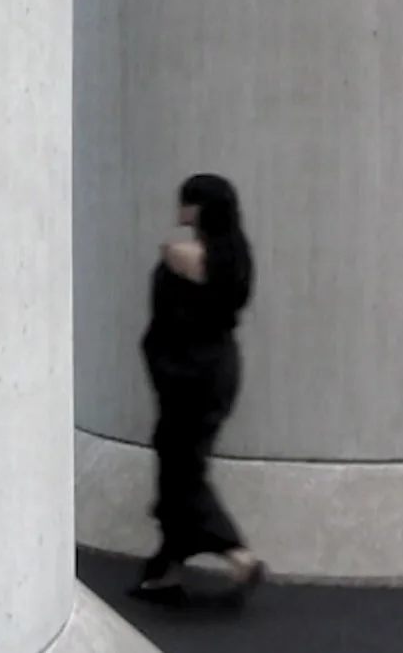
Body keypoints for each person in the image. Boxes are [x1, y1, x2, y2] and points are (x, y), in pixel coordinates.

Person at [131, 172, 266, 604]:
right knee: (178, 464)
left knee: (182, 470)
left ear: (199, 206)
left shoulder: (186, 256)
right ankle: (165, 570)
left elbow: (179, 291)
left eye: (186, 200)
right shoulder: (237, 254)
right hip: (213, 370)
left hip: (193, 375)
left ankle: (236, 553)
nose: (179, 207)